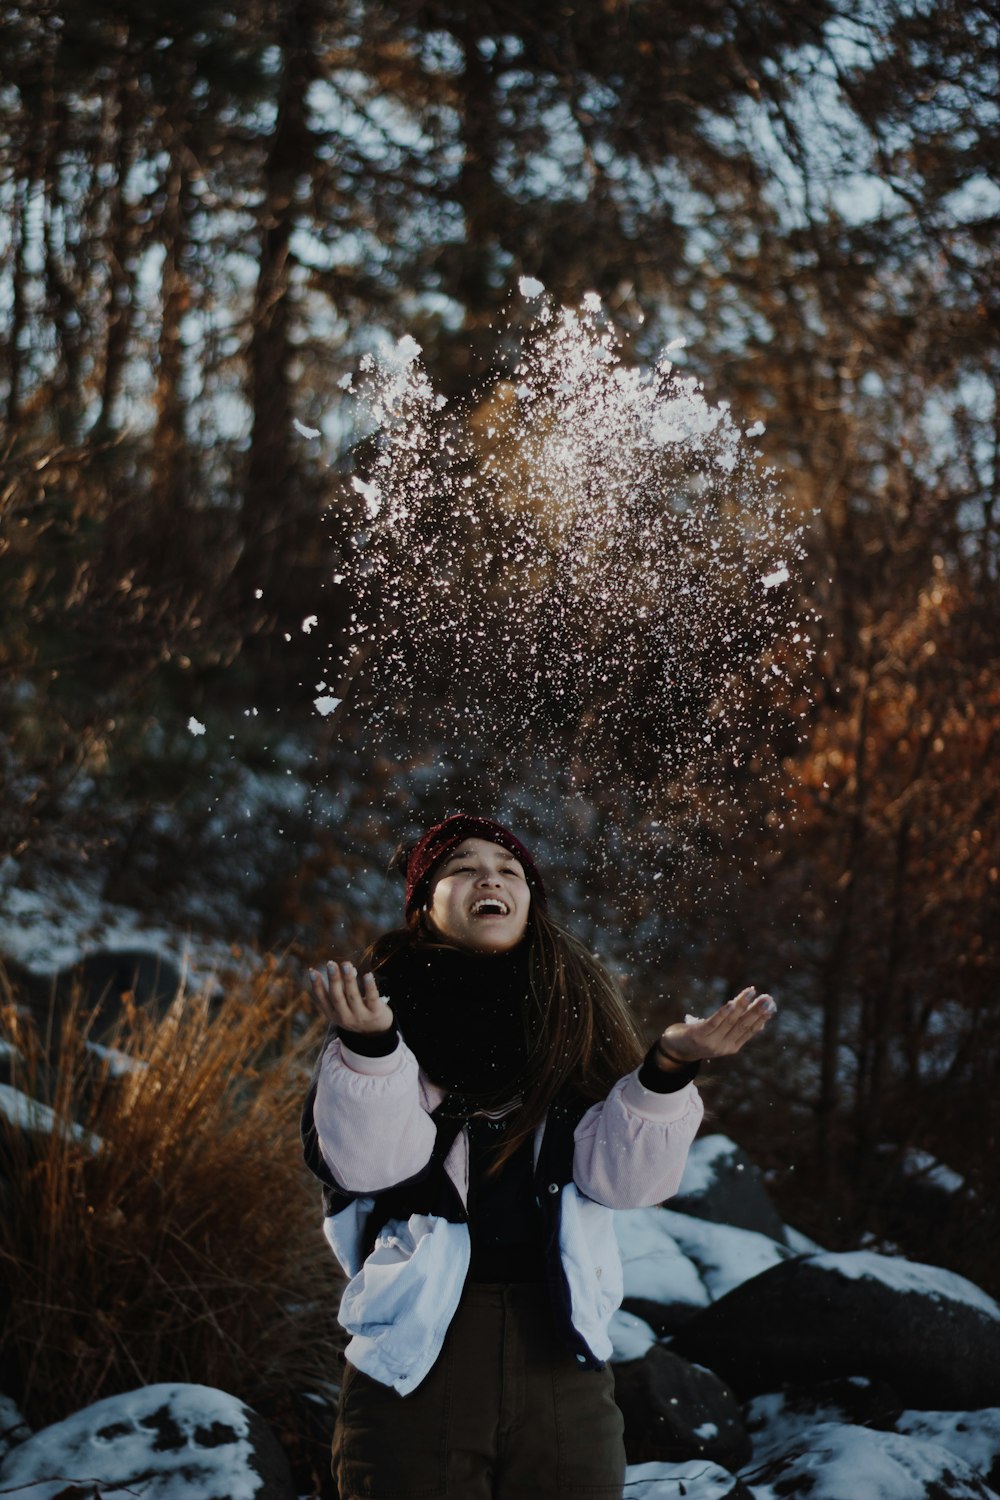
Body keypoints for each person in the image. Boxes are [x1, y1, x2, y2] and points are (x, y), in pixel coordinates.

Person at [302, 813, 775, 1500]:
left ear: (529, 898)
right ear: (423, 906)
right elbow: (372, 1169)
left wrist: (670, 1065)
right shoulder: (378, 1015)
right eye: (460, 867)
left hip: (561, 1349)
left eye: (508, 867)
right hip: (417, 1351)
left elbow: (621, 1183)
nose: (489, 875)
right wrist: (372, 1049)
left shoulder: (574, 1016)